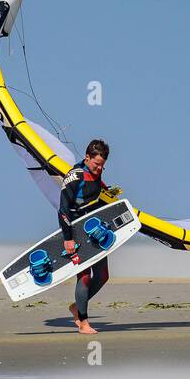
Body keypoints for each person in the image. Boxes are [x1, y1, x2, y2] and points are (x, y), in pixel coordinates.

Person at [59, 139, 112, 334]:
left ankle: (76, 307)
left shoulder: (96, 175)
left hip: (94, 230)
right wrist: (68, 238)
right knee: (84, 277)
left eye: (102, 166)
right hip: (76, 230)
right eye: (96, 164)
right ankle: (83, 322)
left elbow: (94, 198)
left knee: (103, 276)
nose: (99, 169)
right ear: (87, 157)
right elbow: (63, 209)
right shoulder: (74, 176)